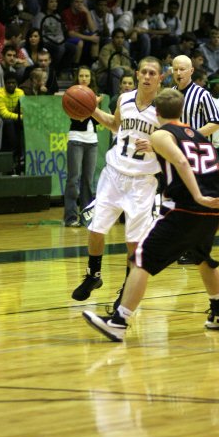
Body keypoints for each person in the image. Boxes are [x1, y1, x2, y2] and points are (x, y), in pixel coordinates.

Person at [82, 88, 219, 342]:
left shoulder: (162, 134)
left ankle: (119, 322)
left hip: (184, 208)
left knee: (140, 258)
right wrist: (218, 212)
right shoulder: (198, 135)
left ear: (156, 111)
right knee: (203, 258)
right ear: (181, 109)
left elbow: (181, 163)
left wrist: (197, 196)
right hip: (209, 212)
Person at [71, 56, 163, 303]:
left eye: (152, 73)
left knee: (133, 243)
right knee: (95, 229)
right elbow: (114, 125)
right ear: (136, 74)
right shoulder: (124, 99)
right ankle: (93, 274)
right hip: (113, 174)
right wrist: (91, 110)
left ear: (160, 78)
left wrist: (155, 145)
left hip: (143, 181)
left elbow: (176, 141)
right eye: (143, 72)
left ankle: (126, 289)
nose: (146, 77)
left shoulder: (164, 108)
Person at [172, 54, 219, 264]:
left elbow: (215, 122)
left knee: (196, 202)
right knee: (182, 201)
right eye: (175, 69)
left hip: (199, 154)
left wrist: (190, 136)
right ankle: (185, 246)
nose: (178, 73)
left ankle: (196, 248)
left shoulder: (202, 94)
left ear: (191, 71)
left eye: (182, 69)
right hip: (176, 154)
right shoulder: (170, 95)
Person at [63, 66, 100, 227]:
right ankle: (70, 217)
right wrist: (92, 106)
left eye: (87, 75)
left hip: (92, 141)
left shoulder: (95, 96)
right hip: (76, 139)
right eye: (81, 76)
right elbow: (79, 119)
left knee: (88, 180)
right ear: (77, 78)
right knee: (73, 179)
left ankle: (86, 217)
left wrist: (95, 106)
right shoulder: (72, 95)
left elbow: (97, 121)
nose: (84, 78)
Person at [0, 71, 24, 166]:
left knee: (25, 124)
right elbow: (4, 114)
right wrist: (21, 117)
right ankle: (13, 153)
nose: (11, 85)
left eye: (13, 83)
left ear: (17, 84)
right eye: (8, 83)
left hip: (14, 117)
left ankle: (23, 155)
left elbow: (22, 110)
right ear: (4, 83)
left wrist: (22, 117)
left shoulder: (20, 93)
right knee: (9, 122)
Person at [38, 0, 76, 74]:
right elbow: (39, 33)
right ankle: (54, 69)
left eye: (55, 1)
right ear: (46, 3)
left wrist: (60, 41)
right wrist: (55, 41)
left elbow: (60, 32)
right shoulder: (40, 16)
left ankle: (64, 70)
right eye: (51, 2)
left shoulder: (57, 16)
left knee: (72, 48)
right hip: (46, 42)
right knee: (60, 48)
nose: (54, 4)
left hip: (58, 41)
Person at [62, 0, 100, 66]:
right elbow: (71, 34)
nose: (79, 4)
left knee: (96, 37)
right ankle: (75, 67)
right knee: (80, 42)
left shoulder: (83, 12)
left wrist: (88, 13)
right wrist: (90, 38)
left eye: (81, 2)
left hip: (80, 35)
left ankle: (94, 65)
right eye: (77, 2)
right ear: (71, 3)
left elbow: (94, 30)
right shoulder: (66, 13)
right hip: (67, 37)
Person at [95, 27, 133, 95]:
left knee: (132, 74)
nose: (120, 40)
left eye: (122, 38)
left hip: (119, 75)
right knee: (118, 72)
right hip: (103, 76)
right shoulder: (106, 49)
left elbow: (128, 68)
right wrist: (124, 68)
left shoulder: (125, 51)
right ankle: (116, 97)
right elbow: (109, 66)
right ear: (112, 38)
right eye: (117, 37)